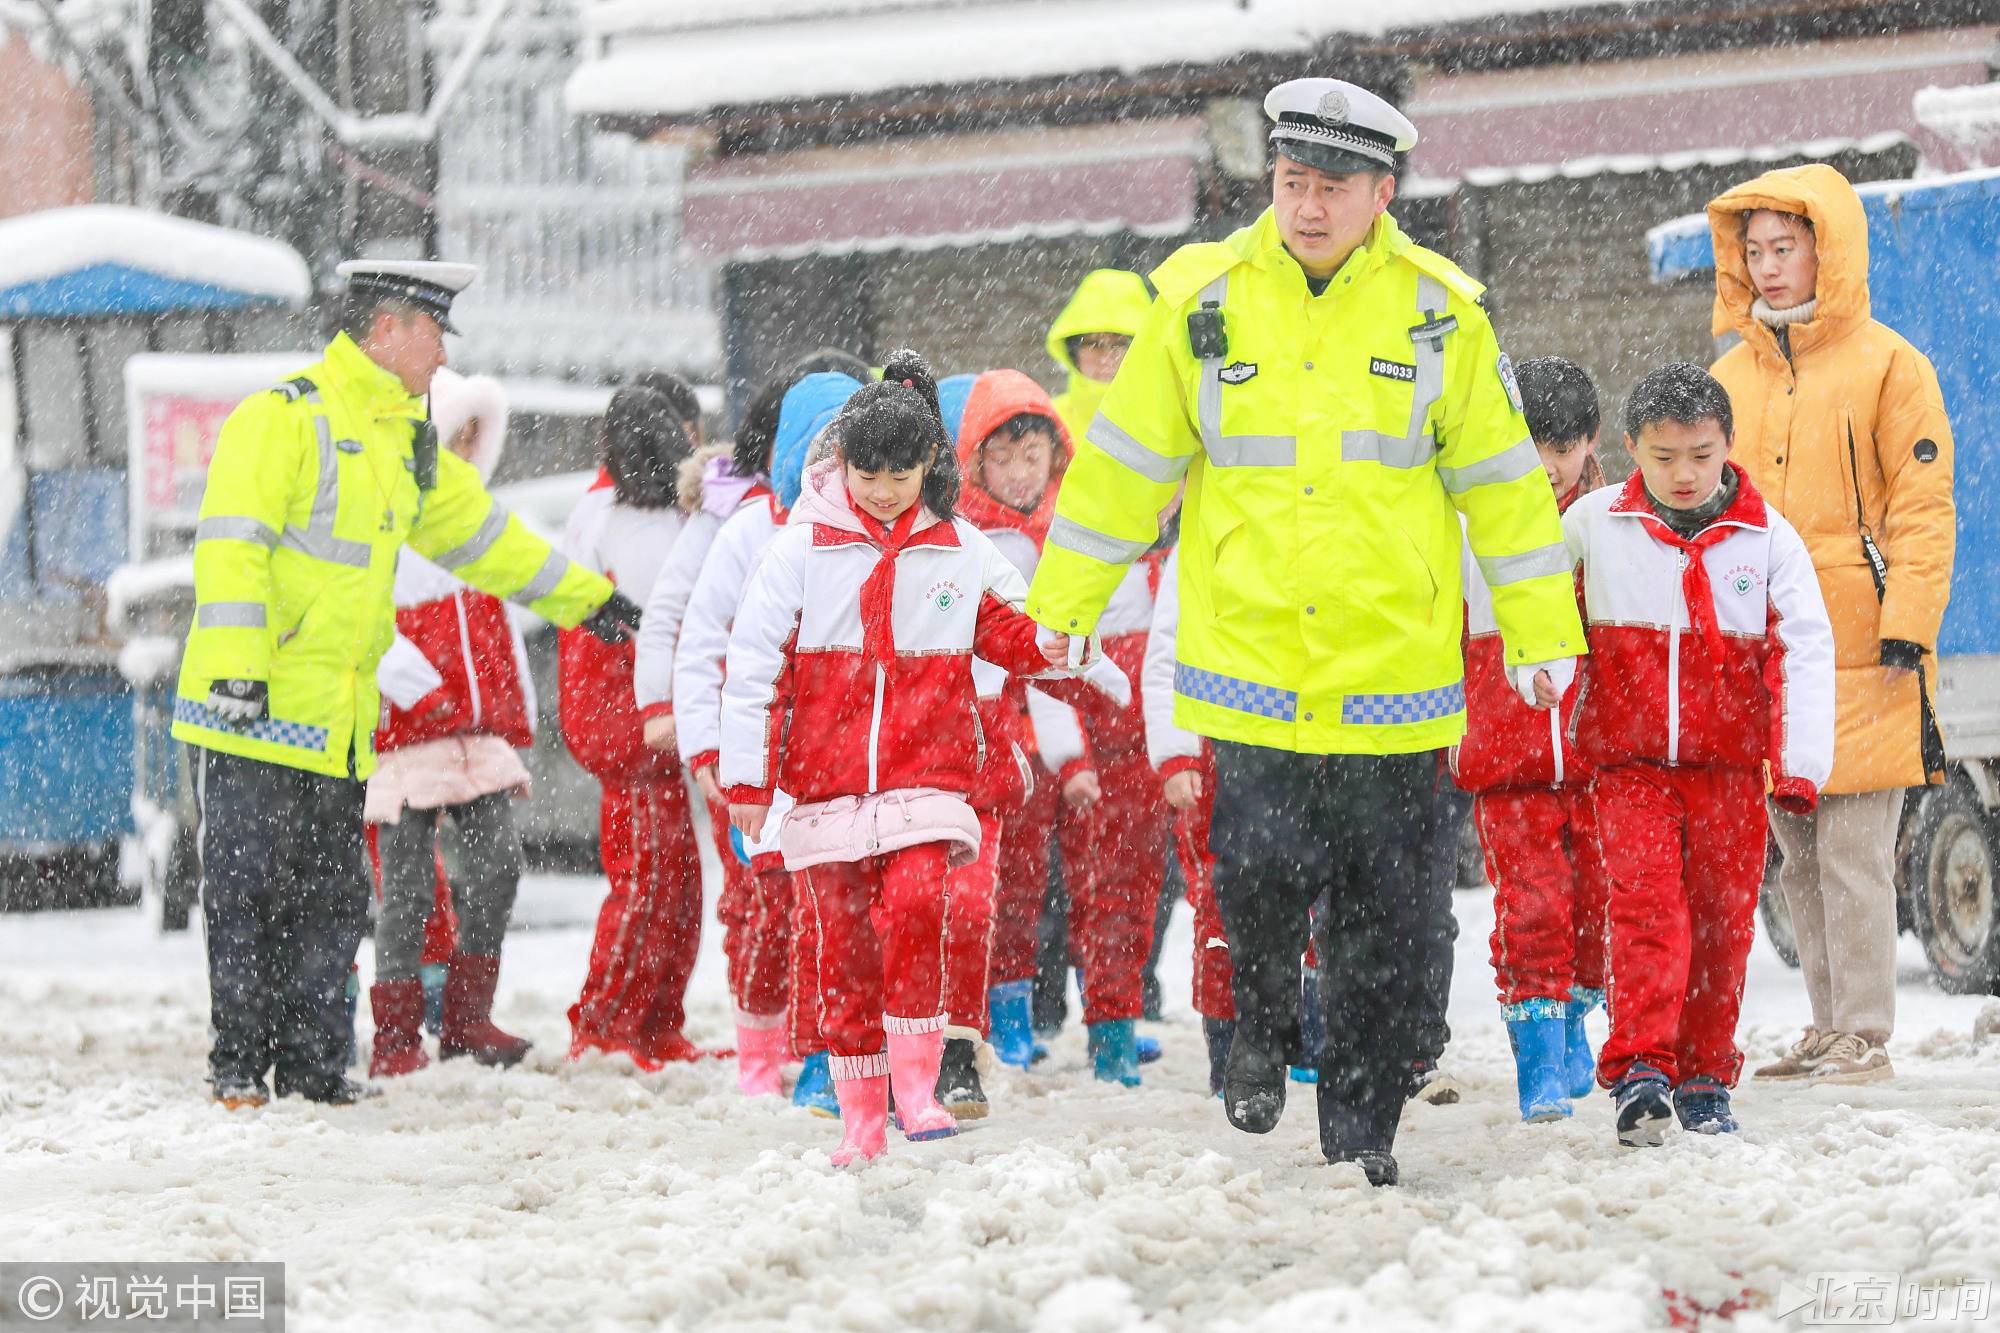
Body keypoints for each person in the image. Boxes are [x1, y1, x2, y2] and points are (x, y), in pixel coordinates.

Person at [1024, 79, 1585, 1185]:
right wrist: (1063, 608)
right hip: (1250, 666)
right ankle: (1258, 1034)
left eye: (1331, 188)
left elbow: (1504, 492)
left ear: (1381, 193)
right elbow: (1123, 473)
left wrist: (1538, 630)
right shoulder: (1205, 305)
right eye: (1291, 184)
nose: (1307, 207)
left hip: (1393, 676)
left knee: (1383, 923)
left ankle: (1362, 1129)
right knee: (1259, 876)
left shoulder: (1439, 314)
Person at [176, 260, 633, 1108]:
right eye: (433, 335)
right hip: (254, 708)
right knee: (249, 895)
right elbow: (232, 541)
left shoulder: (400, 438)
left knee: (331, 896)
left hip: (339, 720)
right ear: (385, 330)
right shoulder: (287, 417)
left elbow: (483, 535)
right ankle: (237, 1067)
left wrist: (589, 600)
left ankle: (315, 1067)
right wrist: (241, 670)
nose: (442, 357)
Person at [720, 351, 1070, 1167]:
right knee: (839, 945)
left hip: (924, 776)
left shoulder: (957, 545)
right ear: (842, 464)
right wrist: (747, 778)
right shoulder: (800, 546)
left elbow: (1012, 628)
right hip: (828, 784)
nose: (883, 490)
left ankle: (917, 1086)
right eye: (868, 472)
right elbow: (751, 663)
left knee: (919, 907)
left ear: (928, 467)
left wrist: (1063, 646)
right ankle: (858, 1113)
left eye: (901, 473)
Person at [1706, 165, 1957, 1087]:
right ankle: (1826, 1024)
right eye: (1755, 251)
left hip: (1864, 646)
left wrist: (1910, 623)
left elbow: (1925, 507)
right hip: (1768, 650)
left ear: (1829, 250)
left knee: (1854, 850)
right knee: (1797, 854)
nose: (1769, 268)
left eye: (1786, 248)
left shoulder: (1890, 364)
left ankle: (1864, 1032)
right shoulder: (1729, 374)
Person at [1565, 362, 1834, 1146]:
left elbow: (1805, 648)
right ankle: (1641, 1067)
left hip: (1728, 774)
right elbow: (1531, 601)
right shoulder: (1591, 524)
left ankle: (1707, 1072)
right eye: (1662, 456)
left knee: (1722, 925)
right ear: (1629, 448)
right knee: (1649, 914)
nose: (1683, 474)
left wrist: (1800, 762)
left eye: (1701, 455)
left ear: (1728, 447)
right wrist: (1539, 675)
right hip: (1631, 765)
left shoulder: (1767, 537)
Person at [658, 371, 865, 1105]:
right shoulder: (751, 530)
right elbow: (702, 640)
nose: (839, 471)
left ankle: (822, 1052)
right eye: (824, 452)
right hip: (754, 759)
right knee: (765, 905)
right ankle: (758, 1047)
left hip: (836, 759)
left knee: (833, 908)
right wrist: (710, 752)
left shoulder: (874, 535)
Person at [365, 369, 541, 1077]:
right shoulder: (387, 525)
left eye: (475, 436)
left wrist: (514, 709)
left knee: (500, 862)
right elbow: (366, 621)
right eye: (453, 435)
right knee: (406, 887)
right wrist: (418, 685)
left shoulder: (480, 523)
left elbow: (503, 618)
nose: (464, 449)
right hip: (409, 735)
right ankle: (396, 1038)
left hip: (476, 733)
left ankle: (467, 1018)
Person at [1452, 355, 1609, 1122]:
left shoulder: (1615, 521)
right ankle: (1537, 1048)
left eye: (1563, 447)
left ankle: (1576, 1015)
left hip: (1594, 757)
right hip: (1504, 752)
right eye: (1531, 447)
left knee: (1599, 903)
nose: (1547, 467)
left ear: (1591, 442)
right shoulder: (1470, 524)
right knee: (1532, 904)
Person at [562, 385, 711, 1070]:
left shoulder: (605, 508)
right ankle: (606, 1022)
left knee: (672, 881)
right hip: (631, 725)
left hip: (631, 722)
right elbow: (671, 612)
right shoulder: (629, 521)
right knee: (651, 881)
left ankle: (653, 1020)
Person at [1046, 269, 1152, 445]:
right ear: (1073, 351)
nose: (1105, 358)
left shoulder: (1174, 416)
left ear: (1144, 348)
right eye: (1092, 344)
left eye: (1119, 344)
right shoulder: (1049, 420)